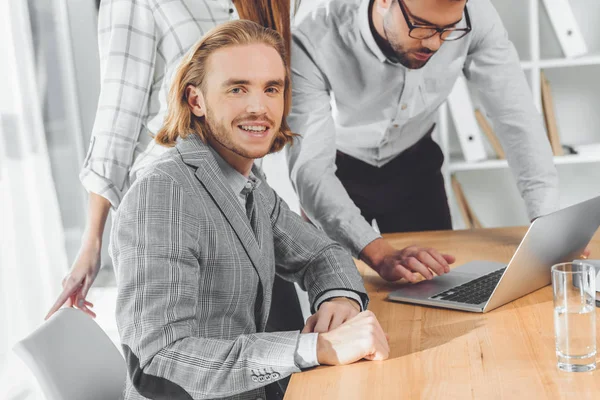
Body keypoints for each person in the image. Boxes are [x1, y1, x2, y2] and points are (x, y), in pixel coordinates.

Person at [110, 20, 389, 400]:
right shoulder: (165, 194)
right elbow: (158, 361)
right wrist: (313, 348)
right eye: (237, 89)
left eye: (271, 88)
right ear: (196, 101)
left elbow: (321, 254)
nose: (259, 107)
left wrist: (338, 300)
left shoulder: (247, 182)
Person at [45, 0, 292, 320]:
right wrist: (91, 241)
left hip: (241, 195)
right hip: (173, 204)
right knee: (202, 350)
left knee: (286, 332)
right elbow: (117, 116)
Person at [287, 0, 560, 282]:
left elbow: (516, 118)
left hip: (416, 166)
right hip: (337, 174)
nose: (435, 44)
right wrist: (379, 253)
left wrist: (547, 224)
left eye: (448, 29)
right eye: (422, 26)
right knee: (342, 300)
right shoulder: (312, 34)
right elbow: (311, 168)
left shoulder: (476, 16)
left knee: (440, 291)